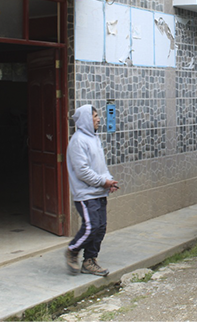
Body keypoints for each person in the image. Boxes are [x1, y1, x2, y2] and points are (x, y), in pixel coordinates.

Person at [65, 105, 119, 276]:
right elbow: (82, 171)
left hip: (98, 192)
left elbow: (100, 167)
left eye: (97, 116)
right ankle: (72, 250)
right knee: (91, 227)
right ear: (86, 119)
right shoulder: (78, 141)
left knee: (100, 227)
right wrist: (103, 182)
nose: (98, 119)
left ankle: (89, 261)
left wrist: (109, 181)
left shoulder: (95, 138)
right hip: (86, 194)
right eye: (95, 116)